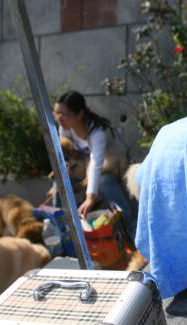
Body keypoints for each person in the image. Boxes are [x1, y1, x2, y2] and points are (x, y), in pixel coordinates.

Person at [52, 91, 136, 236]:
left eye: (64, 114)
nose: (59, 118)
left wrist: (90, 198)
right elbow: (64, 151)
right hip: (87, 164)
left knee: (104, 182)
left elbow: (97, 163)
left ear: (79, 114)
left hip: (113, 164)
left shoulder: (98, 132)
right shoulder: (65, 127)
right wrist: (66, 167)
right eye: (56, 113)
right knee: (60, 182)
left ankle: (131, 226)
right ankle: (60, 228)